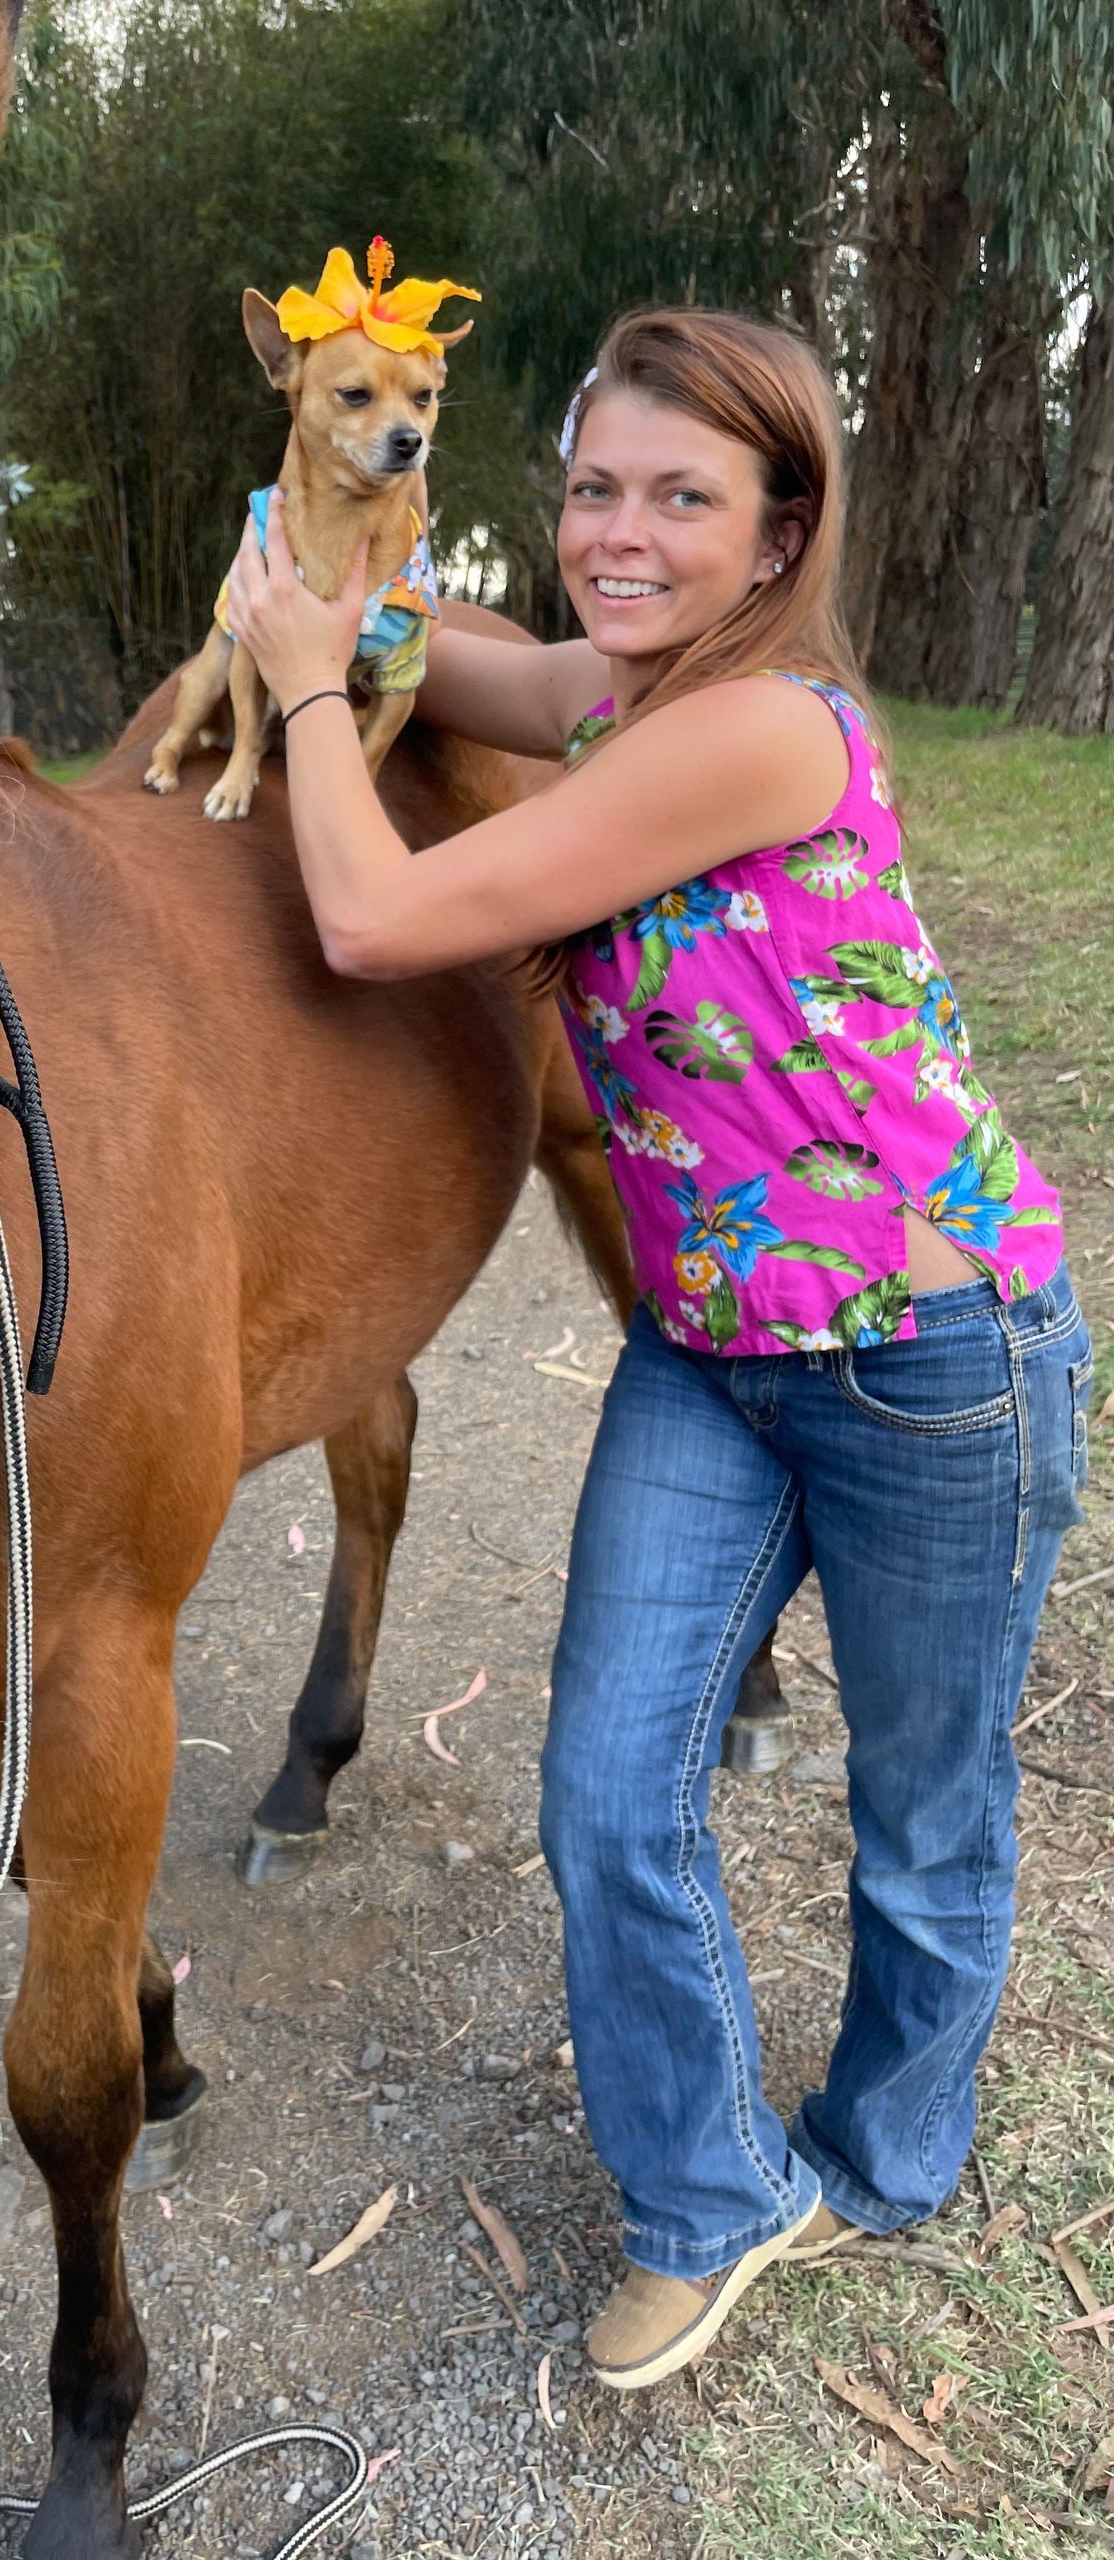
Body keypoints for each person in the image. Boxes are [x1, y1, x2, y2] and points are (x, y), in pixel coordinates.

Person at [222, 306, 1093, 2391]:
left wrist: (300, 693)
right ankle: (718, 2191)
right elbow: (449, 650)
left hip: (932, 1352)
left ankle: (888, 2150)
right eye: (596, 486)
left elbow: (369, 912)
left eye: (681, 498)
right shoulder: (627, 691)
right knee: (612, 1785)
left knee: (928, 1804)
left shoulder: (764, 730)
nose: (619, 532)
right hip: (712, 1351)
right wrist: (329, 544)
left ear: (781, 525)